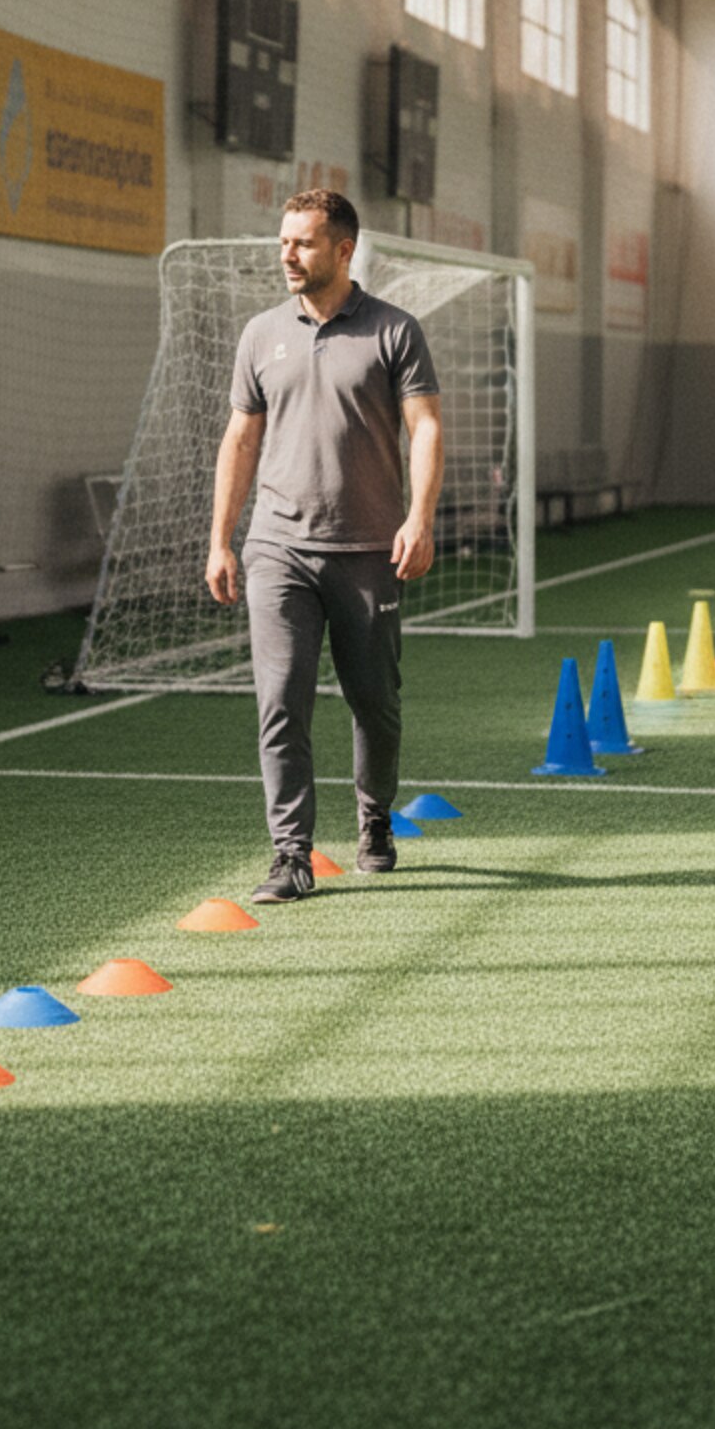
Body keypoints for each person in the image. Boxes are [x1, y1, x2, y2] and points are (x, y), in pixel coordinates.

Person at [205, 190, 444, 902]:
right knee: (281, 701)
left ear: (343, 250)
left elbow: (425, 427)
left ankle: (374, 818)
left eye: (303, 242)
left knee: (376, 703)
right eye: (283, 241)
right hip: (277, 547)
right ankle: (291, 854)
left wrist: (420, 518)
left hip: (371, 549)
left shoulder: (395, 331)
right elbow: (241, 438)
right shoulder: (260, 335)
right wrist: (222, 539)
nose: (287, 254)